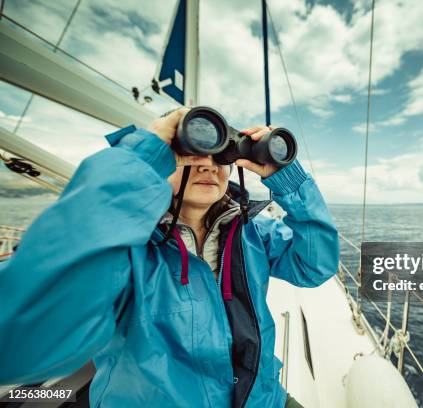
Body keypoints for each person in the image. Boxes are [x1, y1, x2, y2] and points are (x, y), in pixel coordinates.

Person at [0, 108, 340, 407]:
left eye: (220, 155)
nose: (208, 164)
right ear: (164, 162)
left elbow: (315, 266)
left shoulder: (253, 231)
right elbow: (24, 342)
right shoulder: (129, 245)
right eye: (193, 152)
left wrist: (289, 182)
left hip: (261, 398)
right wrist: (141, 158)